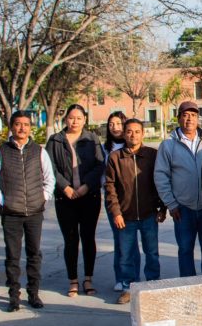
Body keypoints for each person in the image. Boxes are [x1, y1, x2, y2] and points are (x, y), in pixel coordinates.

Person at [0, 111, 55, 311]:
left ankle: (33, 293)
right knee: (12, 256)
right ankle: (13, 297)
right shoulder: (0, 152)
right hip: (11, 213)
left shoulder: (39, 151)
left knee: (34, 254)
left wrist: (44, 197)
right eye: (18, 124)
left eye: (26, 124)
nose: (22, 128)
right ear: (11, 127)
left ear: (30, 127)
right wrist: (3, 200)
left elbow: (49, 178)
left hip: (34, 212)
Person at [154, 101, 202, 278]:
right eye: (185, 115)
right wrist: (171, 204)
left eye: (193, 115)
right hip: (182, 208)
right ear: (179, 118)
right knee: (185, 249)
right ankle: (188, 285)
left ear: (198, 118)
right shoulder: (168, 145)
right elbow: (161, 176)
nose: (189, 119)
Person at [45, 104, 105, 297]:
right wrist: (66, 187)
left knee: (88, 238)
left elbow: (99, 165)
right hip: (66, 198)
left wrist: (86, 185)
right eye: (71, 117)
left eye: (79, 118)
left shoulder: (92, 139)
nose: (75, 121)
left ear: (85, 120)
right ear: (65, 119)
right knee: (70, 239)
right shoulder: (55, 141)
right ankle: (73, 280)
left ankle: (88, 278)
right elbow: (49, 168)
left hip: (89, 197)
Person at [105, 119, 166, 304]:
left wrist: (162, 208)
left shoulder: (152, 155)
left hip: (149, 214)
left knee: (152, 252)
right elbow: (109, 187)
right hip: (125, 216)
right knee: (126, 254)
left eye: (137, 131)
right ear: (124, 134)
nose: (133, 135)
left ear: (143, 133)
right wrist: (116, 212)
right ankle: (127, 287)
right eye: (129, 132)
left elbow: (161, 182)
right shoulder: (115, 158)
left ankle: (153, 285)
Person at [102, 111, 127, 291]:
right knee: (119, 239)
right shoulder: (104, 148)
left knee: (130, 240)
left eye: (118, 123)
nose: (115, 127)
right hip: (112, 198)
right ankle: (120, 277)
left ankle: (132, 277)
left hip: (131, 198)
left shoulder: (131, 145)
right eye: (111, 124)